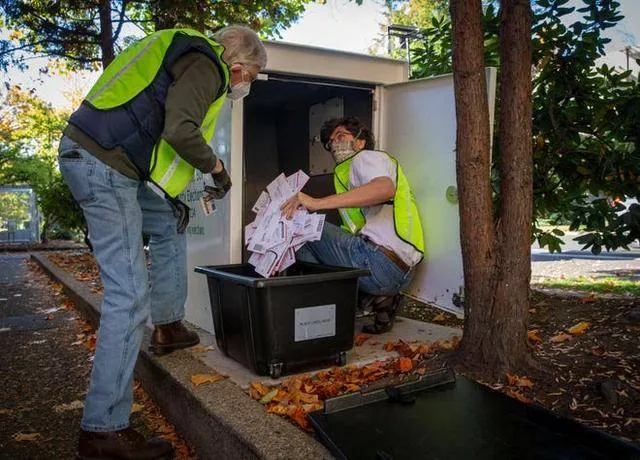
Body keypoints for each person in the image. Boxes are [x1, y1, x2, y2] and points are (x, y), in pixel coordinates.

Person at [58, 25, 266, 459]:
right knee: (129, 298)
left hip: (109, 161)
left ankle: (169, 325)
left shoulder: (183, 49)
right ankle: (103, 432)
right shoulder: (209, 63)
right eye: (250, 75)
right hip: (104, 165)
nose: (245, 84)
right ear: (240, 66)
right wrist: (218, 169)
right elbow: (180, 130)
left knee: (171, 218)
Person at [281, 117, 425, 334]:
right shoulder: (354, 173)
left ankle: (326, 311)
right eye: (331, 142)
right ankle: (378, 298)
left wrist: (315, 203)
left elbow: (384, 189)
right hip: (401, 274)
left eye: (341, 136)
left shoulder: (366, 158)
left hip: (379, 262)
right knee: (323, 237)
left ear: (360, 141)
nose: (335, 144)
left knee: (299, 230)